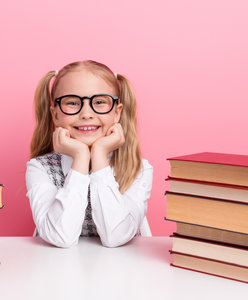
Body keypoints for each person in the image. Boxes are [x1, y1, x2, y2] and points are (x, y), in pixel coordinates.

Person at [26, 60, 153, 248]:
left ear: (117, 113)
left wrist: (99, 155)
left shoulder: (139, 169)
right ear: (55, 114)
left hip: (123, 270)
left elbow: (115, 237)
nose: (86, 113)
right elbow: (61, 237)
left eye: (100, 102)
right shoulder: (40, 168)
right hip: (57, 269)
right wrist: (81, 157)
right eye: (72, 102)